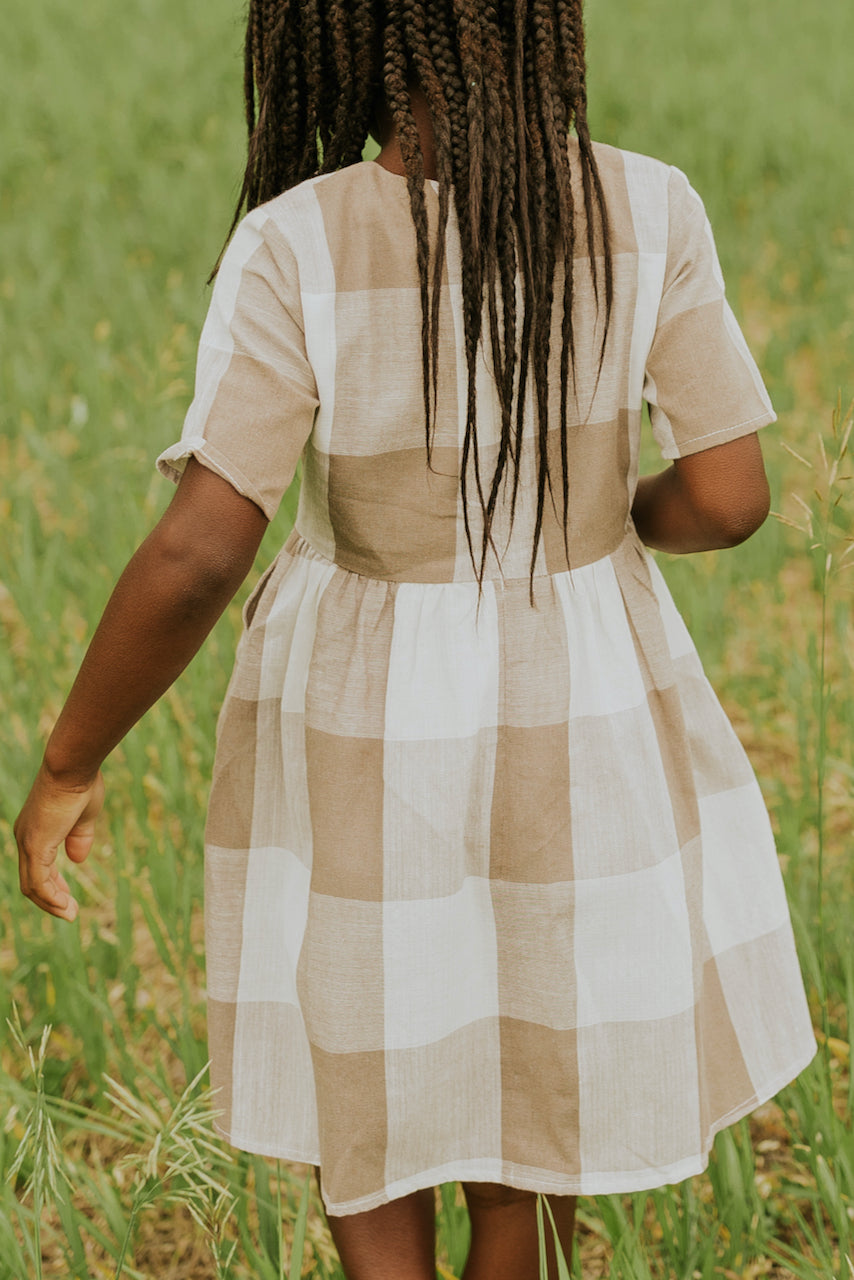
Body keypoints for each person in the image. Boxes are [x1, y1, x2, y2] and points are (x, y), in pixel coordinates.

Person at [14, 3, 817, 1277]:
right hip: (583, 689)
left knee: (370, 1042)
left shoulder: (298, 243)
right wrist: (605, 521)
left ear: (335, 44)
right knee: (539, 1061)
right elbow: (727, 496)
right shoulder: (648, 206)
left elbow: (202, 544)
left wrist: (69, 758)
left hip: (360, 708)